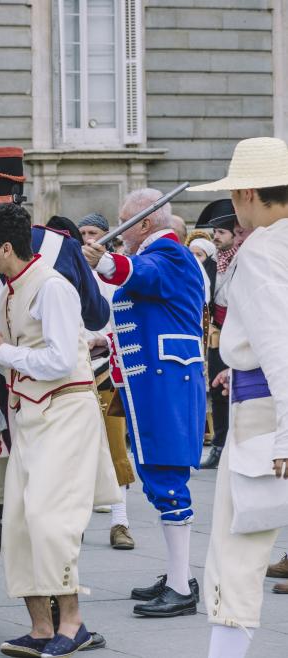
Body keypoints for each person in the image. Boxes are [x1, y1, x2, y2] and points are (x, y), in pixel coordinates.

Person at [0, 202, 113, 658]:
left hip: (66, 412)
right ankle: (41, 627)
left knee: (51, 521)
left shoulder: (52, 286)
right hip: (30, 414)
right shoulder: (12, 287)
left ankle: (74, 625)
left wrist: (2, 355)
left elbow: (59, 360)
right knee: (19, 523)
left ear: (5, 246)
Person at [82, 188, 208, 619]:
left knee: (167, 478)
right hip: (153, 381)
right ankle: (177, 575)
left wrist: (100, 259)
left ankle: (180, 585)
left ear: (145, 223)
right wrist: (106, 342)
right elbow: (149, 317)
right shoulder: (159, 256)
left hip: (165, 382)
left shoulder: (168, 254)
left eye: (124, 221)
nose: (120, 230)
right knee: (157, 475)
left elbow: (135, 273)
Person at [191, 137, 288, 657]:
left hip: (267, 417)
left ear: (248, 193)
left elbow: (281, 344)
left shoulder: (263, 249)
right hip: (267, 402)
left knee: (235, 562)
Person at [200, 199, 242, 470]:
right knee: (217, 392)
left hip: (240, 335)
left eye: (221, 233)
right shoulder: (212, 264)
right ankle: (218, 445)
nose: (216, 238)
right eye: (214, 233)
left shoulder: (245, 258)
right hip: (218, 335)